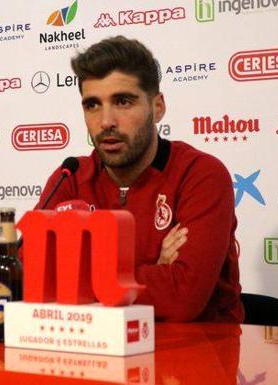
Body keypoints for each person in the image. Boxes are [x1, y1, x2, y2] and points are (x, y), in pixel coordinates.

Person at [35, 36, 244, 323]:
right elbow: (33, 274)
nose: (106, 121)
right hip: (97, 355)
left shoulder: (201, 175)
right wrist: (152, 269)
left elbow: (182, 297)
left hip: (195, 356)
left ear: (157, 107)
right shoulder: (69, 178)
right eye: (93, 105)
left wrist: (79, 275)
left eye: (123, 101)